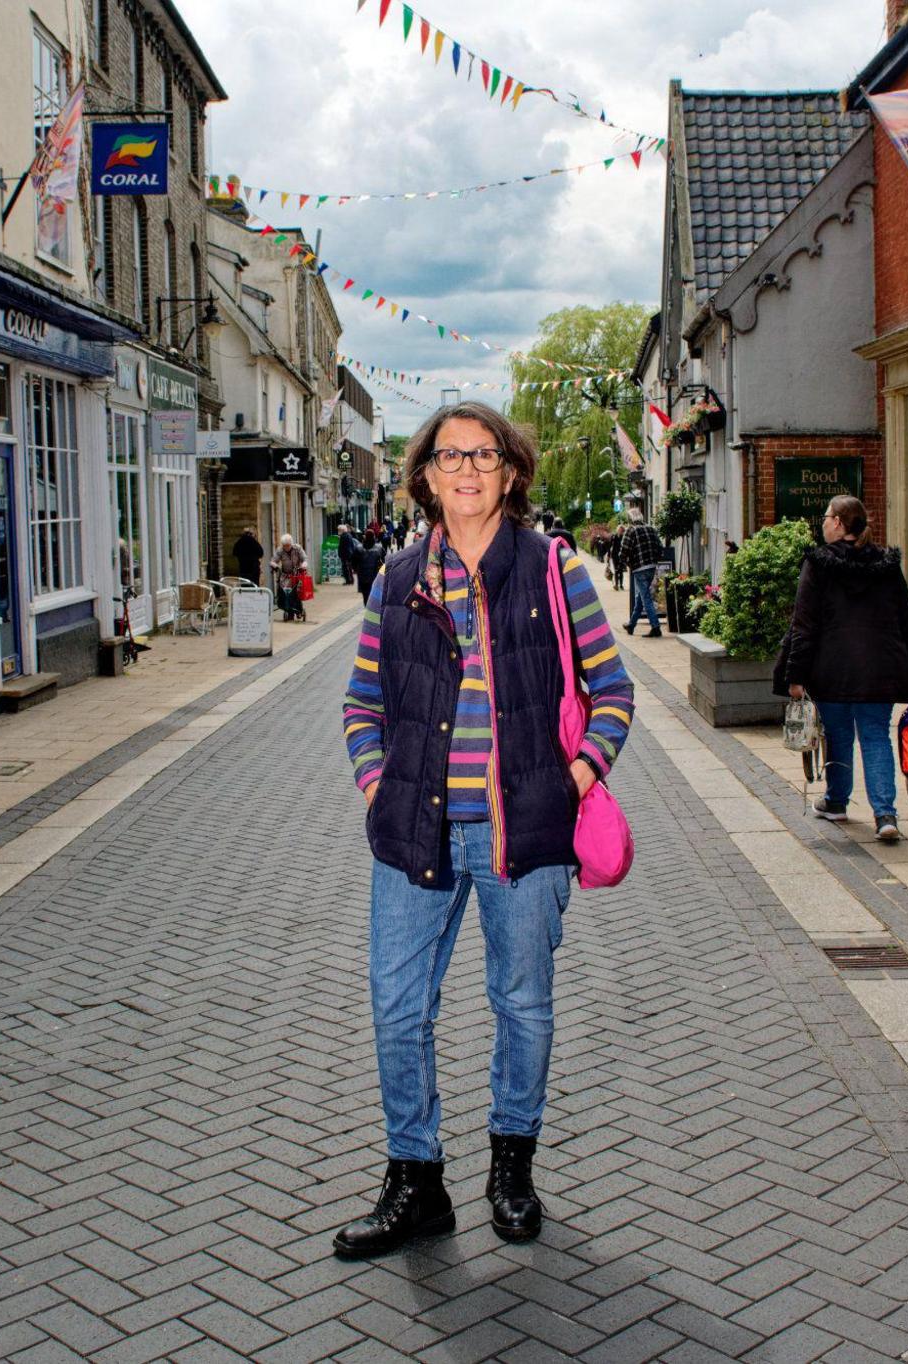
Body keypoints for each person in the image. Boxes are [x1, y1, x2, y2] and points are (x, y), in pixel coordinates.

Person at [337, 400, 636, 1259]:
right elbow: (363, 704)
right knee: (397, 1005)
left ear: (511, 471)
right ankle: (416, 1181)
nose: (466, 470)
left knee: (522, 1004)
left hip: (524, 835)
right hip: (414, 833)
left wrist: (571, 782)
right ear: (424, 476)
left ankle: (513, 1165)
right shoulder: (395, 580)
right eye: (448, 456)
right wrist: (376, 787)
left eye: (484, 454)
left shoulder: (555, 571)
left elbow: (612, 693)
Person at [777, 495, 908, 844]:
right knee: (875, 737)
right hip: (880, 669)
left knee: (838, 737)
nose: (822, 523)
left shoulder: (819, 564)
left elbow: (803, 625)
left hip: (832, 670)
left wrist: (795, 676)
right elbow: (906, 619)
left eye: (826, 516)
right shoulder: (885, 564)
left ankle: (837, 801)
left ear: (838, 522)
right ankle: (885, 815)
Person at [617, 508, 667, 638]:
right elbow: (660, 548)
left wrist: (623, 563)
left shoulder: (631, 530)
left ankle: (655, 627)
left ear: (630, 519)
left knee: (645, 598)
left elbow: (624, 550)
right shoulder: (650, 528)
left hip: (639, 568)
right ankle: (631, 625)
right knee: (641, 597)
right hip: (651, 567)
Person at [273, 532, 308, 622]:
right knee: (285, 593)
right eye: (285, 545)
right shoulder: (280, 550)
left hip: (296, 574)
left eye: (288, 545)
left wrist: (303, 565)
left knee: (295, 593)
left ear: (291, 543)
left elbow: (304, 559)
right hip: (285, 575)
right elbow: (273, 561)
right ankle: (288, 611)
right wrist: (275, 566)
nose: (286, 547)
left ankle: (299, 610)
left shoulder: (297, 548)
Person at [351, 528, 382, 601]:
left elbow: (353, 561)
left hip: (363, 574)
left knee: (365, 594)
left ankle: (367, 605)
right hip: (375, 574)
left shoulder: (359, 548)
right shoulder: (379, 548)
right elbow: (383, 561)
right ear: (374, 536)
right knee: (374, 592)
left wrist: (355, 569)